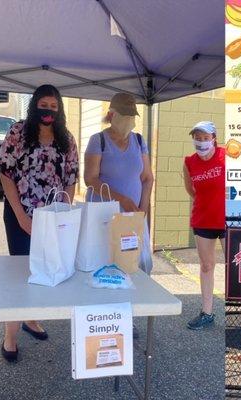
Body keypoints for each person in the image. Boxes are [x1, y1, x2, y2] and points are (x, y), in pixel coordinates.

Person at [0, 84, 79, 361]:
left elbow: (70, 178)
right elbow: (6, 173)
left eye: (54, 106)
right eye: (44, 104)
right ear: (34, 106)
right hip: (20, 213)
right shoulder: (18, 132)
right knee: (20, 274)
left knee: (43, 270)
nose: (48, 110)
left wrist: (63, 215)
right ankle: (10, 334)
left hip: (52, 218)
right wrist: (20, 216)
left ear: (60, 109)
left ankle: (30, 319)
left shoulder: (66, 138)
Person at [84, 93, 154, 337]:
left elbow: (147, 178)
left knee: (133, 265)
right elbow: (91, 179)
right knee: (104, 266)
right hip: (104, 216)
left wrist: (142, 211)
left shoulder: (139, 140)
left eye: (131, 117)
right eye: (124, 116)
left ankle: (128, 318)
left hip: (131, 218)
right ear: (112, 115)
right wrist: (122, 199)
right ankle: (101, 318)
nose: (128, 121)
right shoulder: (98, 140)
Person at [183, 121, 225, 330]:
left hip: (227, 220)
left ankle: (237, 309)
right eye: (197, 138)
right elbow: (191, 190)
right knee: (206, 266)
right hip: (203, 219)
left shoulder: (226, 156)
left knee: (234, 266)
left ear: (213, 138)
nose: (200, 142)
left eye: (205, 138)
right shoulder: (189, 162)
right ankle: (207, 312)